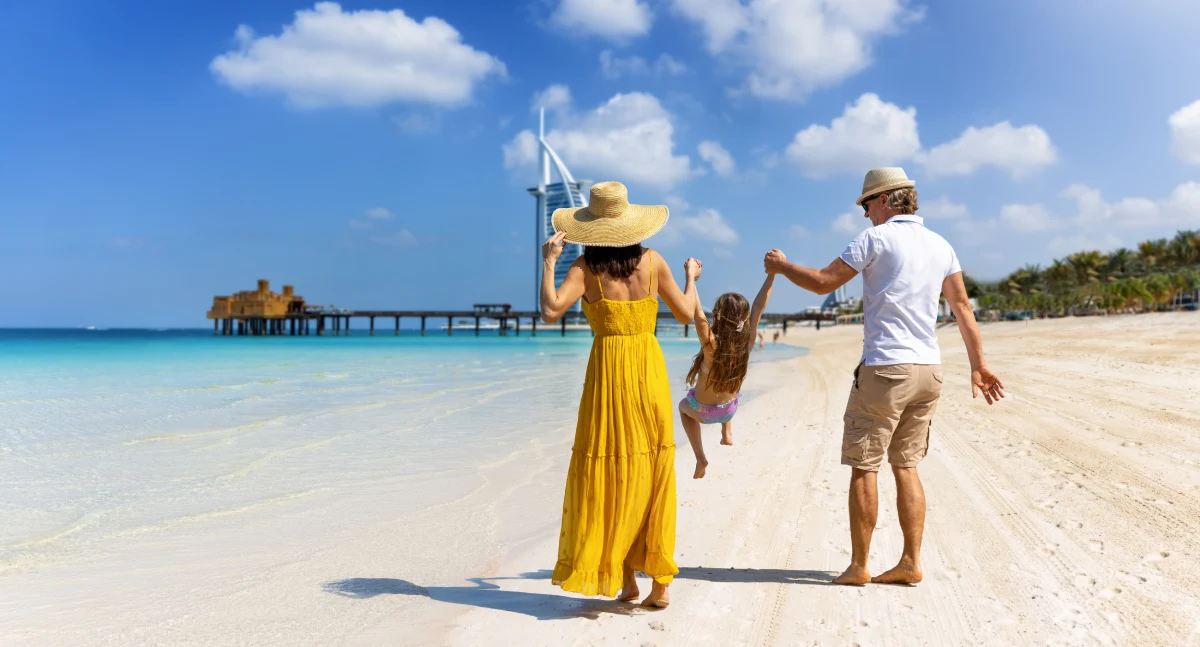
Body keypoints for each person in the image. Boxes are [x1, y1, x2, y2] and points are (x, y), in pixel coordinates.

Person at [763, 167, 1005, 586]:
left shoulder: (875, 239)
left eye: (865, 204)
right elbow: (963, 308)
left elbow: (823, 283)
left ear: (886, 199)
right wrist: (978, 365)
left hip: (885, 368)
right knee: (907, 466)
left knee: (864, 465)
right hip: (929, 370)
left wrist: (782, 267)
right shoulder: (941, 245)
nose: (863, 213)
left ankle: (859, 566)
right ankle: (910, 562)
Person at [539, 181, 699, 608]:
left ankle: (625, 579)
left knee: (611, 474)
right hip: (647, 372)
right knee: (651, 471)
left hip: (608, 377)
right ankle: (658, 583)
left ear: (591, 229)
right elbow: (686, 313)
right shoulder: (653, 262)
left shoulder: (585, 268)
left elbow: (550, 311)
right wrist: (690, 278)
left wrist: (548, 262)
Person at [678, 274, 774, 479]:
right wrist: (772, 274)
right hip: (729, 410)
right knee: (728, 383)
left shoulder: (711, 345)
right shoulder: (746, 344)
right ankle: (726, 433)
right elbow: (759, 305)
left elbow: (697, 313)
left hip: (703, 413)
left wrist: (691, 278)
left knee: (683, 408)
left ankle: (700, 457)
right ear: (745, 319)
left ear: (717, 317)